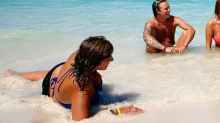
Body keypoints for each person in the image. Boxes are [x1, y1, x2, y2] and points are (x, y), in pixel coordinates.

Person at [3, 36, 143, 121]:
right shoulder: (81, 89)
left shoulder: (82, 53)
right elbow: (82, 121)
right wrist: (119, 111)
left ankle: (14, 74)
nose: (112, 59)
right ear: (94, 60)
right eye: (108, 57)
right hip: (53, 85)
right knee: (48, 76)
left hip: (61, 71)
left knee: (51, 73)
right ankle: (14, 75)